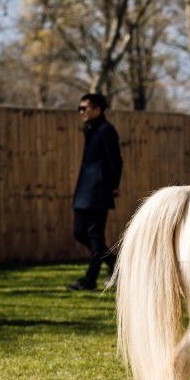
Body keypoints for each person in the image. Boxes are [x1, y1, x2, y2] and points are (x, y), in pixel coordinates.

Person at [67, 93, 122, 291]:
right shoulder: (91, 129)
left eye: (85, 108)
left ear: (98, 110)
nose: (81, 112)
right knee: (80, 233)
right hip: (84, 191)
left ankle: (90, 279)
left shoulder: (106, 130)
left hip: (98, 191)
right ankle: (116, 266)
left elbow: (115, 160)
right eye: (79, 108)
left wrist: (114, 185)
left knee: (95, 237)